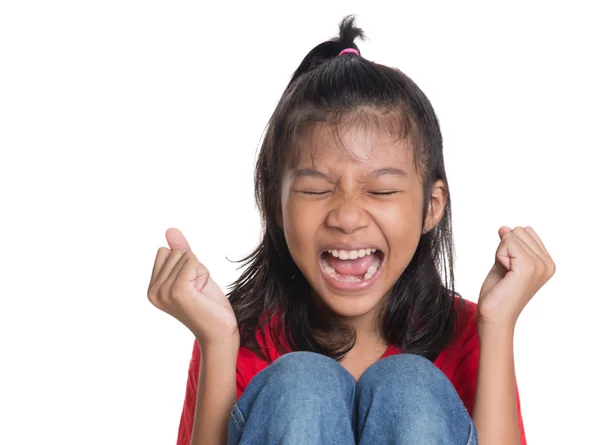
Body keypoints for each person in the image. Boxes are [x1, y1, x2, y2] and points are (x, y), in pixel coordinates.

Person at [147, 15, 555, 445]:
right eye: (316, 189)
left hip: (428, 379)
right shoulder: (241, 338)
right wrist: (217, 340)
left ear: (431, 207)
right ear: (275, 206)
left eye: (379, 191)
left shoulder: (468, 332)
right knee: (302, 387)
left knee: (410, 388)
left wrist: (499, 324)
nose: (346, 216)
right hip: (285, 380)